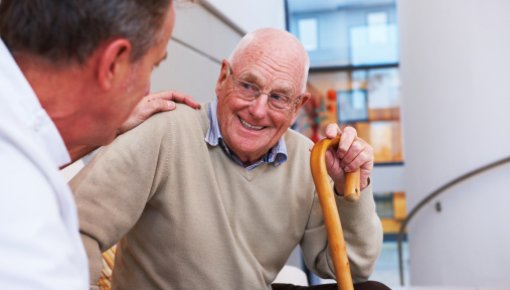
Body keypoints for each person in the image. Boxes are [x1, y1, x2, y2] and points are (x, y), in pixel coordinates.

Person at [70, 28, 387, 290]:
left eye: (278, 97)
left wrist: (350, 191)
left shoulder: (308, 159)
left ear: (298, 105)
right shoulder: (166, 128)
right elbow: (75, 227)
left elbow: (353, 268)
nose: (258, 110)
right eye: (249, 86)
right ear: (223, 78)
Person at [0, 0, 199, 289]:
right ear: (113, 63)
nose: (147, 91)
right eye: (153, 65)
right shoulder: (32, 245)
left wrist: (110, 124)